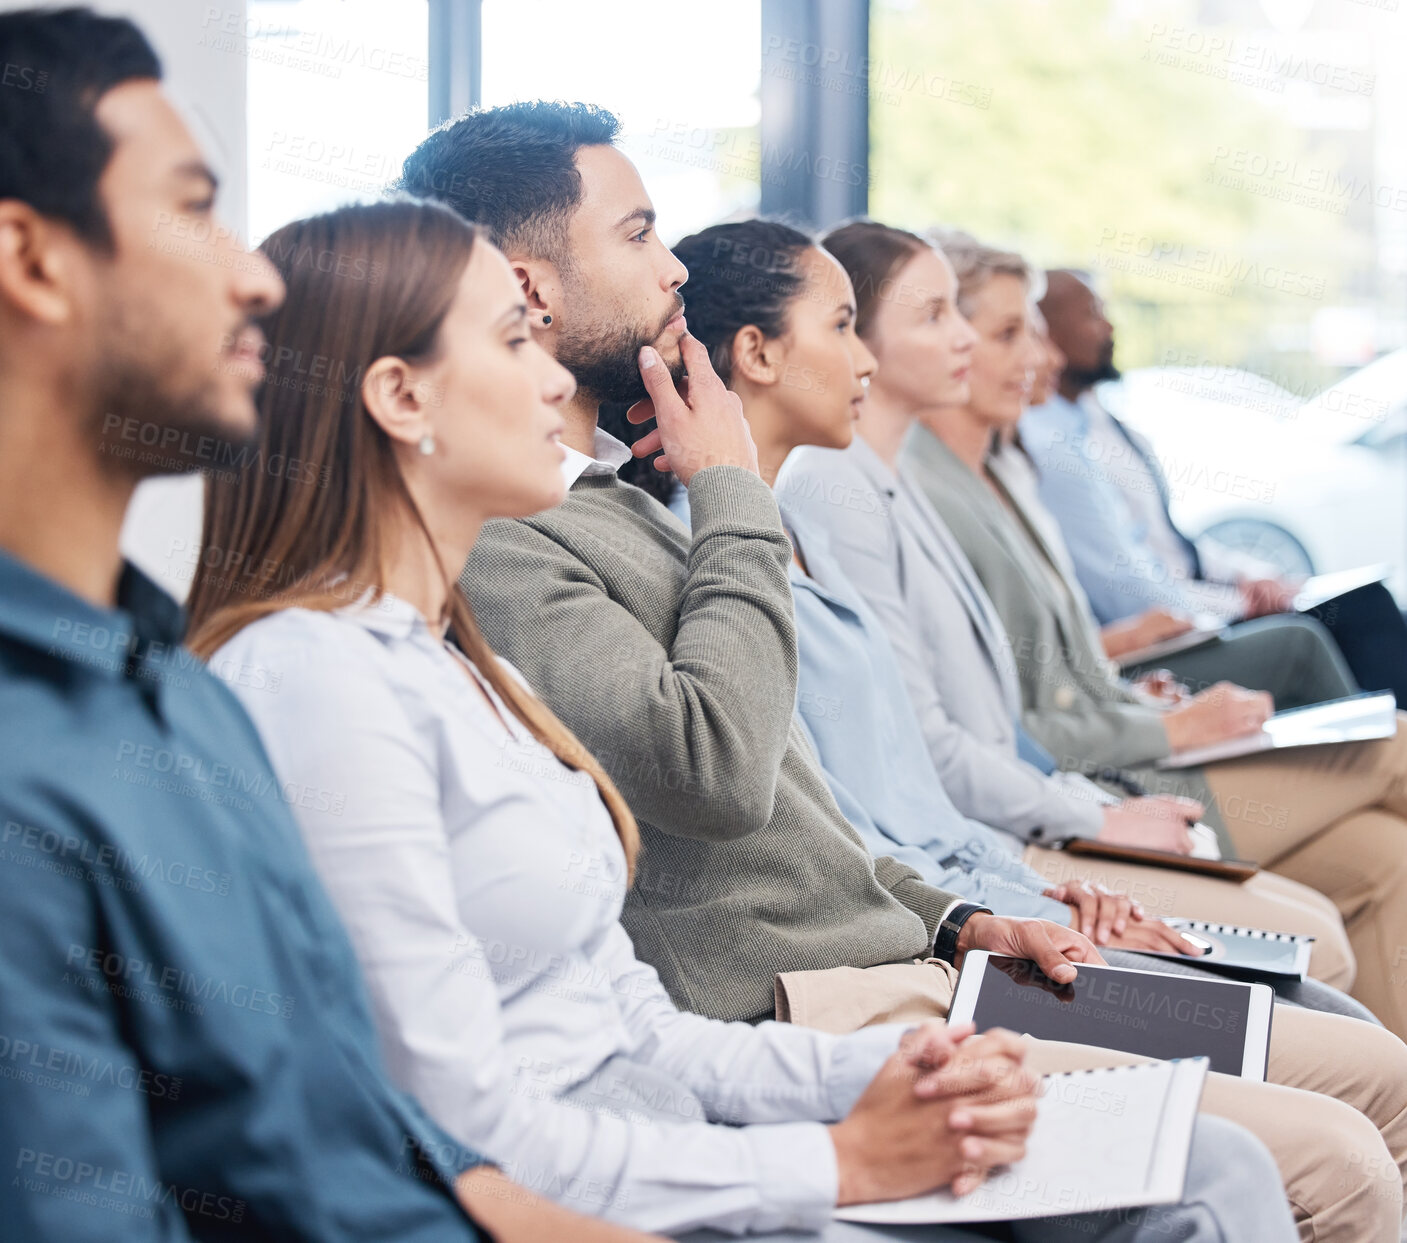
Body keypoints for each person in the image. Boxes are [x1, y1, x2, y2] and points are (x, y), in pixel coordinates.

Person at [180, 197, 1294, 1243]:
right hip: (638, 1187)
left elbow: (633, 1021)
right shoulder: (315, 680)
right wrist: (837, 1163)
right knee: (1207, 1176)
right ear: (400, 397)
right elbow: (463, 1136)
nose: (547, 384)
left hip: (690, 1122)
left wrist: (890, 1069)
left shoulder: (467, 663)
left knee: (1216, 1164)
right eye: (514, 342)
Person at [400, 104, 1406, 1237]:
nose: (670, 263)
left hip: (916, 950)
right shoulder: (549, 534)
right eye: (637, 234)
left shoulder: (632, 504)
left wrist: (969, 915)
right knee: (1311, 1141)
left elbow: (834, 818)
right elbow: (717, 780)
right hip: (831, 1003)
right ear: (530, 290)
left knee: (1352, 1044)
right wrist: (732, 492)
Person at [0, 13, 661, 1243]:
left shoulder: (164, 684)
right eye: (192, 207)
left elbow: (332, 1113)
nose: (254, 275)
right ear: (31, 261)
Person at [670, 219, 1372, 1022]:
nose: (983, 346)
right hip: (946, 910)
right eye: (849, 327)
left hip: (981, 872)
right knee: (1337, 1001)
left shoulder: (830, 507)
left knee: (1335, 955)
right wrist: (1032, 882)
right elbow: (876, 807)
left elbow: (907, 791)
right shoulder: (809, 508)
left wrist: (1035, 889)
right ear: (759, 353)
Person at [1022, 269, 1407, 704]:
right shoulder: (1051, 446)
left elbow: (1173, 541)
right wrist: (1236, 605)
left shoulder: (1097, 421)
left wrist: (1250, 576)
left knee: (1377, 607)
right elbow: (1133, 594)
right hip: (1166, 631)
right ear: (1045, 330)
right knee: (1335, 626)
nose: (1109, 327)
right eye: (1092, 315)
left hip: (1193, 605)